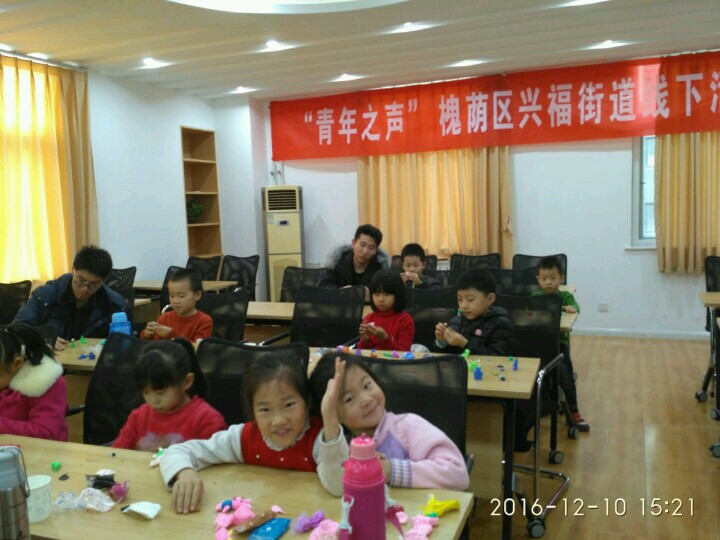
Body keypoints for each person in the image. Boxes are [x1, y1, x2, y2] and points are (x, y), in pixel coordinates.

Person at [159, 353, 348, 514]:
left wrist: (330, 420)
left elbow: (339, 486)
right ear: (252, 411)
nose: (278, 420)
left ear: (307, 402)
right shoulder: (243, 437)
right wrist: (184, 472)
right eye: (265, 409)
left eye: (289, 405)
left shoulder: (320, 440)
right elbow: (176, 451)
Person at [310, 354, 469, 491]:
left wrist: (390, 470)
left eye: (367, 385)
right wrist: (330, 421)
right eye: (349, 399)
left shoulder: (407, 427)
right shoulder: (339, 448)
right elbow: (337, 487)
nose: (366, 399)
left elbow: (459, 475)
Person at [112, 339, 226, 451]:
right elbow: (116, 453)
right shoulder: (139, 417)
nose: (153, 401)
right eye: (146, 392)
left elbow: (217, 461)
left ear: (186, 382)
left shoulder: (206, 420)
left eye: (160, 392)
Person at [13, 245, 127, 350]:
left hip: (91, 362)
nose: (85, 289)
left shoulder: (114, 304)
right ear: (73, 270)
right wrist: (42, 338)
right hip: (52, 361)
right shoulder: (45, 296)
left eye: (93, 284)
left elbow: (124, 343)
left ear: (103, 281)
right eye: (80, 281)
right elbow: (16, 328)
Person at [533, 256, 589, 431]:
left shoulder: (564, 296)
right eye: (544, 279)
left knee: (565, 375)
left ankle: (574, 411)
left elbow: (576, 307)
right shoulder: (535, 296)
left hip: (558, 344)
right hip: (538, 343)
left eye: (553, 278)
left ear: (561, 278)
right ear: (538, 280)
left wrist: (572, 308)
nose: (548, 282)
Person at [0, 324, 67, 441]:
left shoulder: (45, 381)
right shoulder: (6, 378)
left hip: (40, 450)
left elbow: (45, 432)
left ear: (17, 364)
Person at [434, 268, 515, 355]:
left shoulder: (501, 325)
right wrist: (442, 341)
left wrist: (464, 344)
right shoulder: (456, 321)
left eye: (470, 299)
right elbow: (446, 357)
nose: (464, 305)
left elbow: (498, 357)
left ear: (490, 299)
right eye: (459, 299)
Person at [319, 224, 390, 301]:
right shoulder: (337, 263)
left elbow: (388, 293)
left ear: (376, 250)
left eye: (371, 247)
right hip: (341, 306)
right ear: (353, 243)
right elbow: (322, 289)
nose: (365, 251)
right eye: (362, 245)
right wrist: (340, 291)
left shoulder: (380, 269)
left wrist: (373, 295)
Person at [141, 269, 212, 342]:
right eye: (172, 296)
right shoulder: (164, 318)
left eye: (181, 296)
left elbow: (198, 347)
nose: (175, 301)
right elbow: (154, 344)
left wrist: (171, 334)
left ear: (197, 295)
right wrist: (146, 335)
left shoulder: (204, 321)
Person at [357, 269, 415, 351]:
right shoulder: (368, 318)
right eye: (376, 294)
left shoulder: (405, 320)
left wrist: (385, 339)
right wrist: (365, 340)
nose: (381, 299)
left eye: (386, 294)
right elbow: (360, 352)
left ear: (397, 295)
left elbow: (403, 353)